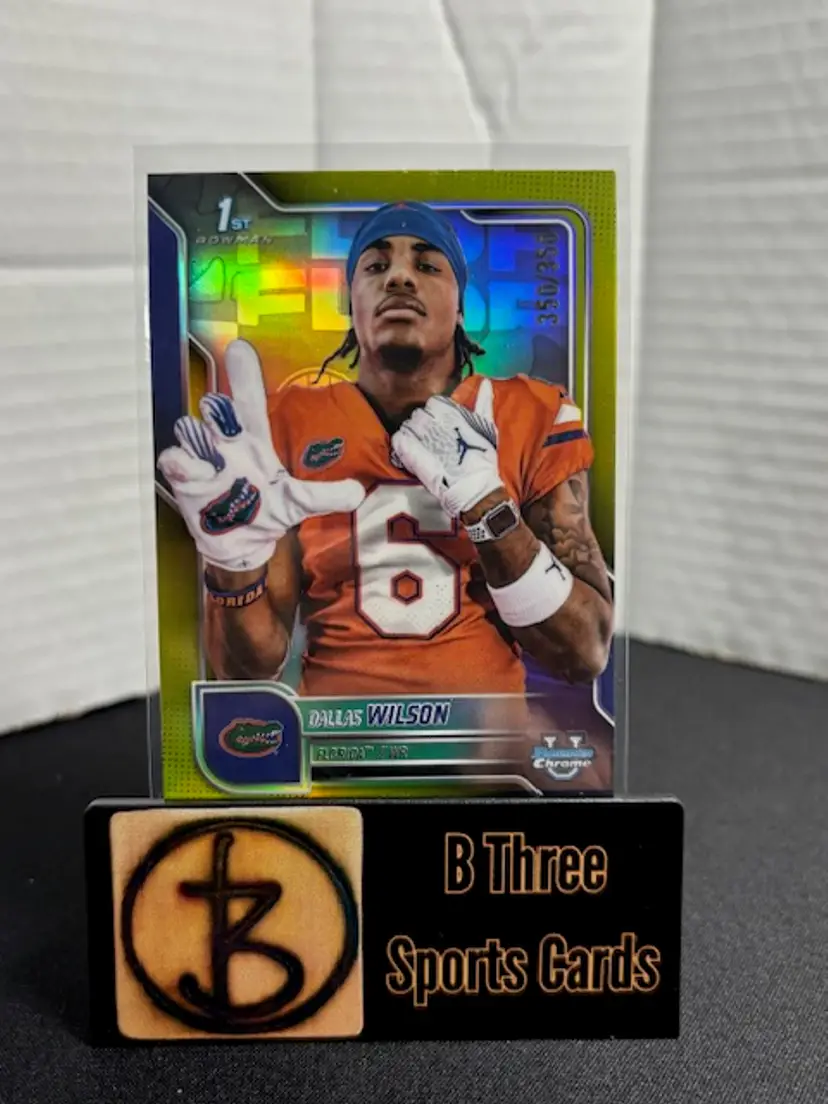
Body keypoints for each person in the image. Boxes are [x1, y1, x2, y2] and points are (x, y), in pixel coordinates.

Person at [158, 201, 613, 699]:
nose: (398, 277)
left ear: (462, 305)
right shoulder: (282, 424)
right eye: (375, 266)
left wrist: (487, 504)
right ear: (350, 304)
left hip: (486, 741)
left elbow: (584, 650)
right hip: (333, 736)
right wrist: (234, 562)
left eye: (427, 264)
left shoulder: (530, 411)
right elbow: (245, 672)